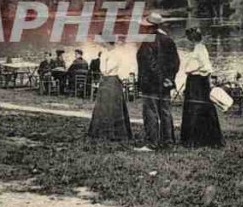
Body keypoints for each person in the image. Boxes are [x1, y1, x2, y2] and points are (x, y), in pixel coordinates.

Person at [136, 12, 180, 149]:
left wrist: (160, 78)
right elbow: (175, 62)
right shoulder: (168, 40)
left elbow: (150, 65)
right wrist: (169, 78)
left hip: (151, 84)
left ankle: (152, 143)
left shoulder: (147, 42)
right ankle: (168, 142)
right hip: (165, 83)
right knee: (166, 112)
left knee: (150, 112)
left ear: (150, 27)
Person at [180, 27, 223, 148]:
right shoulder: (197, 48)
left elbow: (207, 68)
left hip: (197, 82)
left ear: (192, 38)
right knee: (193, 106)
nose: (188, 40)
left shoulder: (200, 49)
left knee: (196, 107)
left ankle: (198, 138)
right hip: (194, 81)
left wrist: (194, 70)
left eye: (189, 37)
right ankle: (192, 138)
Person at [88, 36, 132, 141]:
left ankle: (110, 132)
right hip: (111, 80)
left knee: (111, 106)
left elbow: (105, 70)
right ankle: (107, 131)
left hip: (110, 80)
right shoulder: (110, 53)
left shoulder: (109, 54)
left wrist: (108, 68)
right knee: (107, 106)